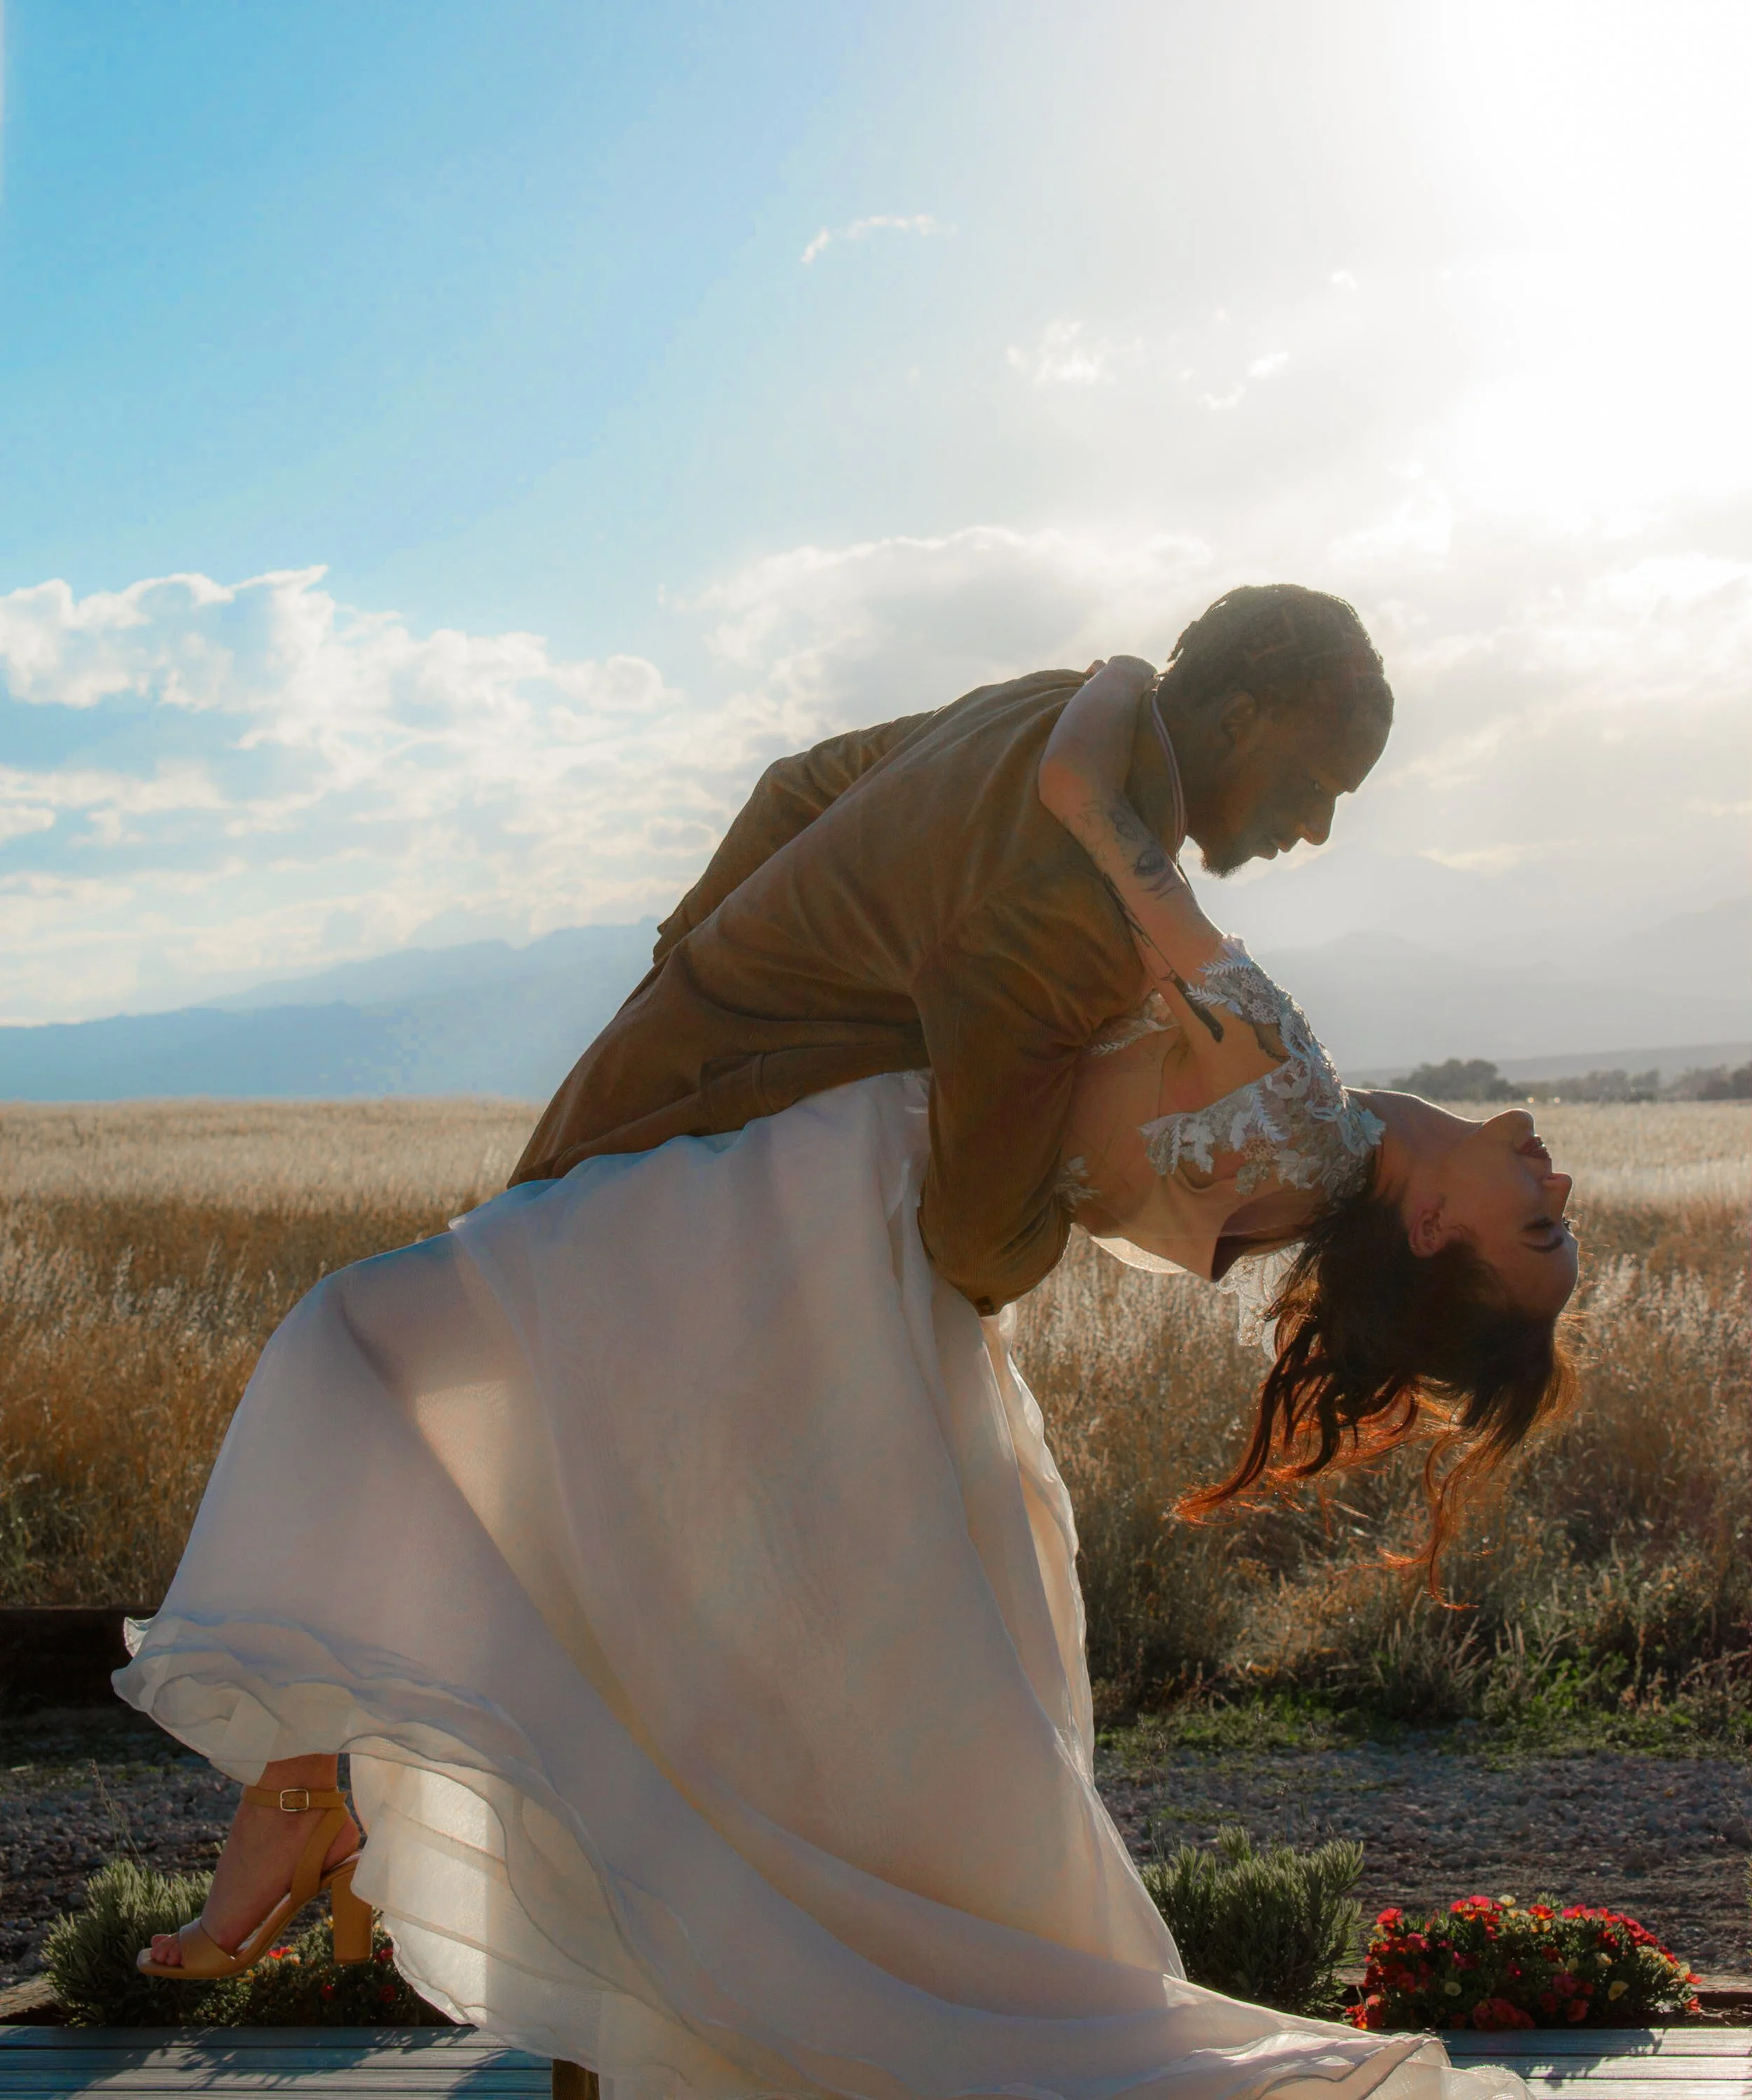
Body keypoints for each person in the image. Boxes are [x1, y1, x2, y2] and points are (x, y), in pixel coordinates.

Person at [118, 632, 1573, 2100]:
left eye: (1536, 1228)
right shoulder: (1310, 1127)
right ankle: (327, 1786)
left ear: (1436, 1228)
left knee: (436, 1402)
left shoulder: (1308, 1120)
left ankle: (348, 1802)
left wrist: (1115, 690)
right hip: (827, 1236)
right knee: (737, 1680)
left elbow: (1001, 1163)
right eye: (1318, 777)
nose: (1558, 1183)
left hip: (823, 1246)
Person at [511, 583, 1396, 1309]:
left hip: (642, 1073)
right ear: (1238, 720)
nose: (1317, 827)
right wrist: (1079, 1201)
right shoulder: (1076, 901)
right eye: (1316, 784)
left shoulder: (1054, 704)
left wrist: (687, 962)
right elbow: (976, 1247)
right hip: (684, 1194)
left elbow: (794, 786)